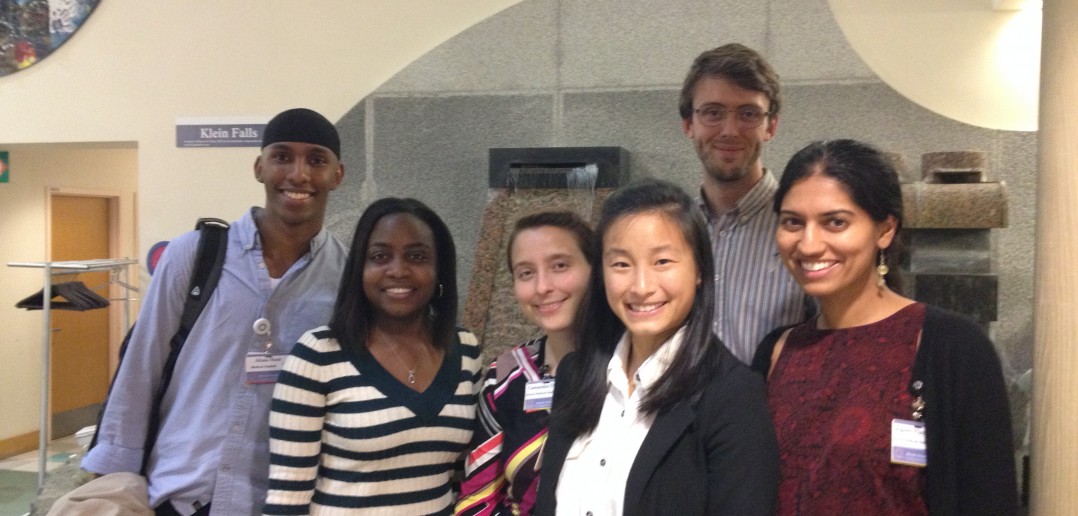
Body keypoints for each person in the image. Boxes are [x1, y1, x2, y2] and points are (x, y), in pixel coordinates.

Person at [81, 108, 348, 516]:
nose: (298, 174)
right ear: (260, 167)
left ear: (337, 175)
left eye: (316, 160)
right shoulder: (194, 255)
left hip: (281, 501)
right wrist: (110, 481)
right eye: (282, 157)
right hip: (183, 495)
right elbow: (140, 370)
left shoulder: (346, 276)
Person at [753, 139, 1018, 515]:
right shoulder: (776, 352)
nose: (809, 244)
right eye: (793, 222)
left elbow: (989, 500)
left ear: (885, 230)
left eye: (836, 222)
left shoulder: (951, 347)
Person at [535, 179, 779, 516]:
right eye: (621, 264)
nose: (641, 286)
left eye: (662, 261)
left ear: (699, 271)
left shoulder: (732, 395)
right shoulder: (575, 375)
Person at [263, 197, 481, 515]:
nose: (398, 271)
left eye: (416, 256)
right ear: (359, 270)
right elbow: (287, 500)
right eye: (380, 256)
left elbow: (463, 479)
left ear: (439, 271)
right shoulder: (317, 356)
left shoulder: (465, 350)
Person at [679, 43, 812, 364]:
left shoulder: (805, 229)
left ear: (771, 126)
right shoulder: (671, 230)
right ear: (688, 125)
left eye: (748, 114)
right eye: (713, 113)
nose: (730, 130)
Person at [456, 211, 596, 516]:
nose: (542, 287)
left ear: (595, 269)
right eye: (526, 272)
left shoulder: (629, 371)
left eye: (560, 265)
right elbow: (476, 499)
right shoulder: (507, 375)